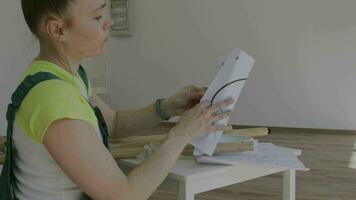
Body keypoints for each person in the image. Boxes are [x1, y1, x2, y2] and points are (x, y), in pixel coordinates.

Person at [6, 0, 234, 199]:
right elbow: (123, 196)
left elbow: (112, 123)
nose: (109, 22)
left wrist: (166, 107)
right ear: (58, 30)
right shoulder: (53, 97)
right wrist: (181, 134)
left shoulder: (65, 77)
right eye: (96, 16)